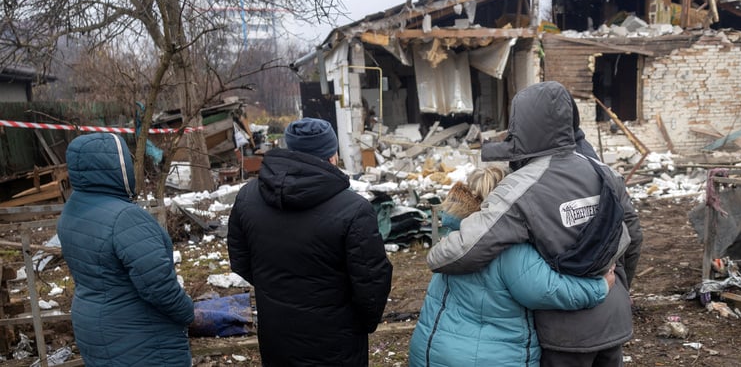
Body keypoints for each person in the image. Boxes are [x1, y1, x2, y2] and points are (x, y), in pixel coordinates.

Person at [427, 81, 644, 367]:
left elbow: (468, 249)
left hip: (565, 334)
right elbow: (633, 236)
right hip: (613, 320)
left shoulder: (520, 187)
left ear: (521, 125)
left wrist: (437, 252)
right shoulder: (604, 172)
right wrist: (619, 290)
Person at [410, 166, 616, 367]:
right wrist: (599, 287)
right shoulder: (507, 249)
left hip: (429, 349)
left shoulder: (455, 238)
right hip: (486, 357)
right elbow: (547, 290)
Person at [227, 117, 393, 366]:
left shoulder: (248, 197)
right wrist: (362, 323)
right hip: (336, 340)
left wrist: (276, 289)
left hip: (277, 335)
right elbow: (372, 284)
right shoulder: (354, 210)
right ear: (332, 156)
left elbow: (241, 261)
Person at [57, 133, 194, 366]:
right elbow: (158, 286)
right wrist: (188, 312)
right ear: (115, 166)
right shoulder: (125, 217)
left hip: (94, 326)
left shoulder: (72, 210)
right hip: (138, 335)